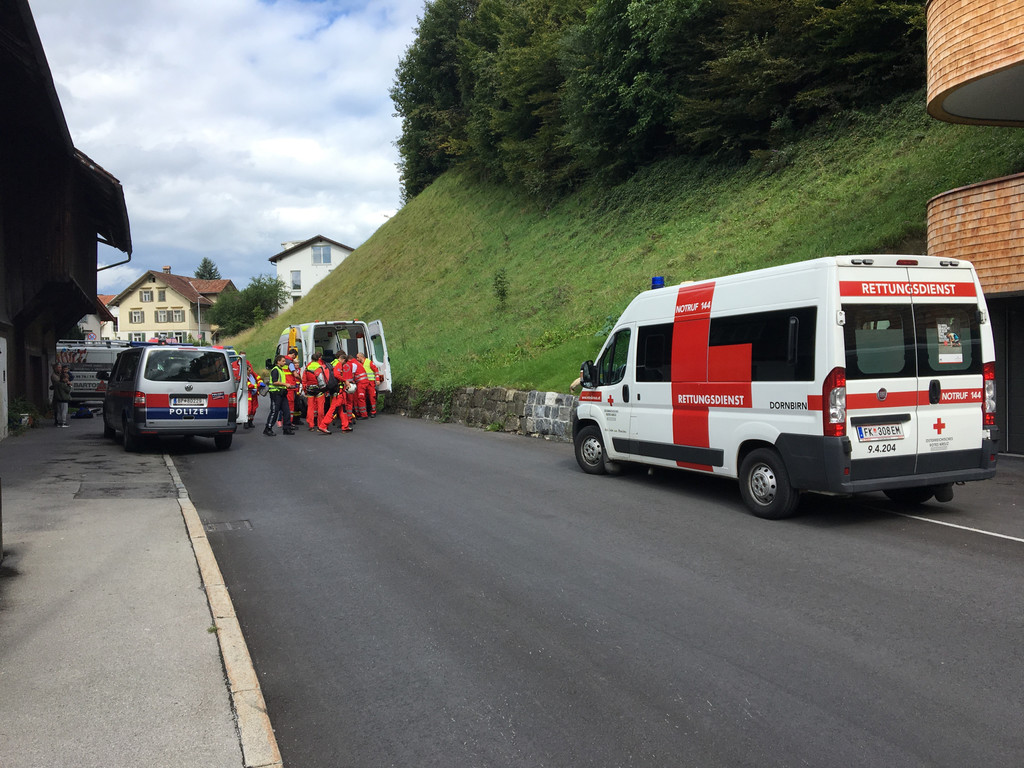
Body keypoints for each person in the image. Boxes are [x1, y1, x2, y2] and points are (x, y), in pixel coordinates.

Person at [321, 351, 352, 433]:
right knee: (334, 408)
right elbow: (337, 375)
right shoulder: (338, 364)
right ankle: (323, 425)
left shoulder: (333, 363)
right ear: (343, 360)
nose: (344, 364)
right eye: (344, 362)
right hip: (339, 391)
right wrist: (345, 381)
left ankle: (345, 426)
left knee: (342, 408)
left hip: (337, 390)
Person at [265, 355, 295, 436]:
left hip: (282, 393)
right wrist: (285, 384)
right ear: (278, 361)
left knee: (286, 411)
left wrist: (286, 386)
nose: (284, 363)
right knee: (274, 411)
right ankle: (268, 428)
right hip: (275, 393)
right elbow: (275, 382)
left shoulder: (280, 370)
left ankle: (287, 428)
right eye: (283, 361)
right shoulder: (275, 370)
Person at [303, 352, 330, 434]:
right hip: (319, 389)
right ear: (318, 359)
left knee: (310, 408)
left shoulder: (307, 368)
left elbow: (304, 380)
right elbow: (324, 379)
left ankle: (311, 425)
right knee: (320, 407)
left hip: (310, 389)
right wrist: (326, 390)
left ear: (311, 359)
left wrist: (305, 390)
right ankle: (320, 424)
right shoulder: (320, 367)